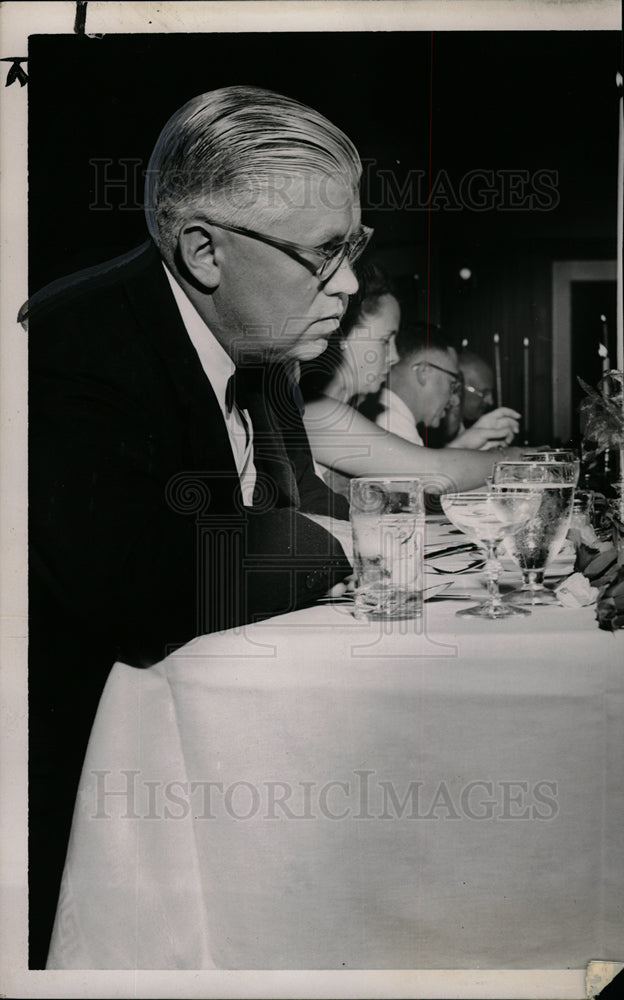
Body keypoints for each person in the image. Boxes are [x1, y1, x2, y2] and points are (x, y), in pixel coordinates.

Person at [25, 85, 371, 968]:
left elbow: (293, 520)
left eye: (355, 246)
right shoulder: (73, 345)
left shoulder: (262, 350)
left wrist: (321, 537)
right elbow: (140, 583)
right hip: (75, 821)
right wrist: (335, 548)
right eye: (327, 254)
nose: (354, 284)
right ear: (205, 250)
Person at [299, 276, 524, 495]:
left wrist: (467, 442)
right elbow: (436, 473)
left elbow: (413, 471)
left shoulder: (333, 411)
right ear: (344, 336)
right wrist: (518, 458)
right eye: (386, 340)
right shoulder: (314, 414)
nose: (395, 356)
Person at [373, 327, 520, 450]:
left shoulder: (396, 416)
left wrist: (466, 442)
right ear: (424, 372)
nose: (454, 400)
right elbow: (428, 480)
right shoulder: (390, 421)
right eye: (452, 384)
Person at [435, 349, 515, 447]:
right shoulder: (431, 428)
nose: (491, 401)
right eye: (484, 393)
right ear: (459, 387)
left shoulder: (479, 428)